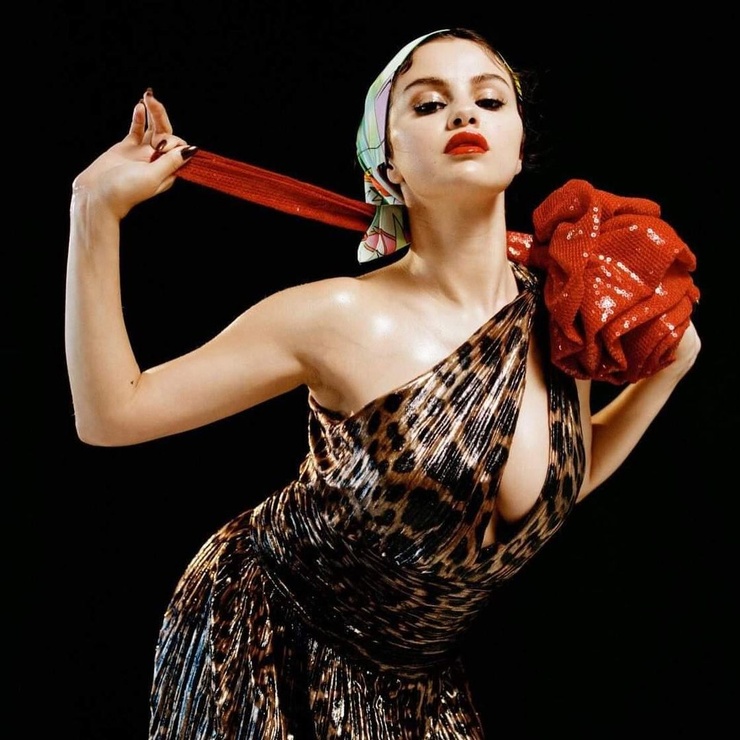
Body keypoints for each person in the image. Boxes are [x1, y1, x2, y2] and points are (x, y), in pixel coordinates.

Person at [65, 27, 701, 739]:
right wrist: (94, 209)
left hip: (414, 682)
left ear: (520, 145)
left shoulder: (561, 312)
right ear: (386, 164)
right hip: (269, 642)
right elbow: (111, 414)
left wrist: (670, 371)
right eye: (428, 105)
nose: (463, 114)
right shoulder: (338, 315)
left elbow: (555, 477)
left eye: (489, 100)